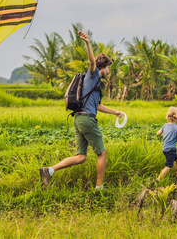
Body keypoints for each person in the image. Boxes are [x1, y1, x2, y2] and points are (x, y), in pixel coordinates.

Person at [39, 31, 124, 190]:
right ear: (103, 67)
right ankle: (99, 189)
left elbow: (97, 105)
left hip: (78, 119)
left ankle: (49, 170)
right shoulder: (93, 75)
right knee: (102, 153)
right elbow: (92, 63)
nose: (108, 72)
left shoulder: (93, 84)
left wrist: (115, 112)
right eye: (108, 68)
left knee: (81, 157)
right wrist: (87, 43)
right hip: (87, 120)